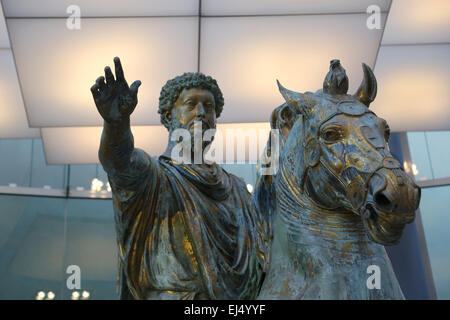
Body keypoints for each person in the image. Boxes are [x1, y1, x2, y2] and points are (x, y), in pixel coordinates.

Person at [90, 57, 269, 300]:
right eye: (191, 104)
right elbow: (118, 160)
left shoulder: (236, 188)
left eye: (209, 106)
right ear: (168, 114)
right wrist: (116, 123)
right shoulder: (153, 176)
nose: (202, 113)